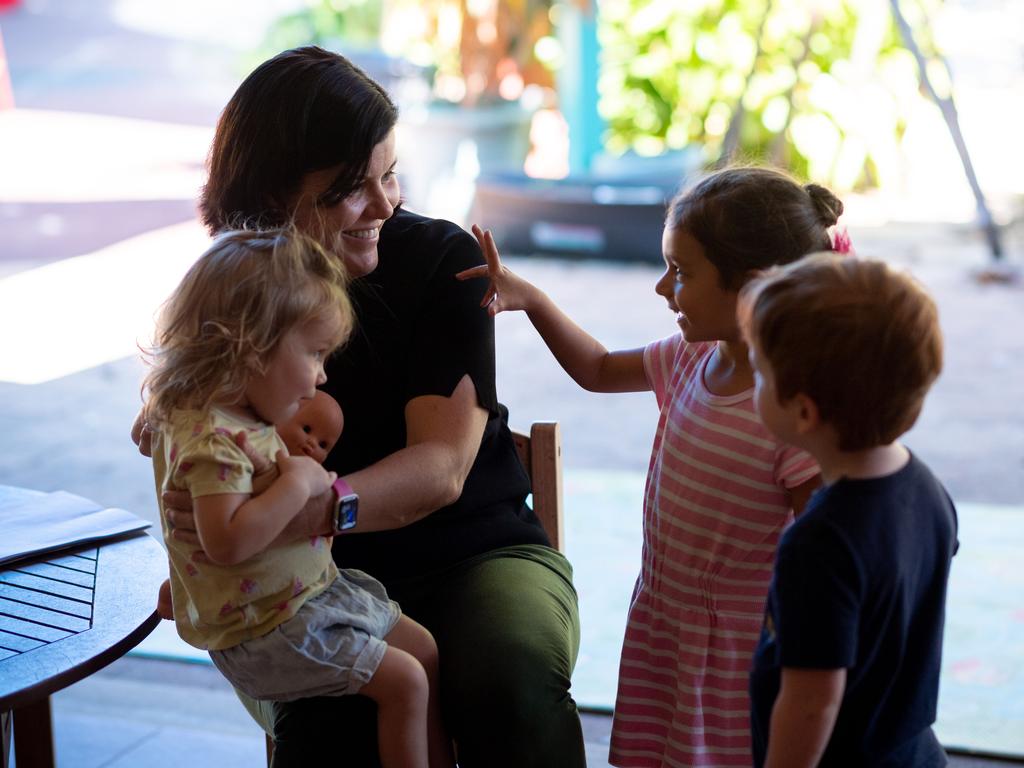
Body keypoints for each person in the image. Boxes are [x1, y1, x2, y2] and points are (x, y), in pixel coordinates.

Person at [136, 46, 584, 767]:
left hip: (478, 552)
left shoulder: (443, 263)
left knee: (509, 678)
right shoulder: (234, 296)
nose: (384, 205)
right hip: (290, 587)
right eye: (350, 188)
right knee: (332, 725)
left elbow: (439, 471)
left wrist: (298, 507)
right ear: (273, 193)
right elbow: (177, 423)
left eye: (390, 175)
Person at [458, 166, 847, 766]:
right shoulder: (693, 356)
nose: (663, 289)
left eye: (682, 273)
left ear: (751, 287)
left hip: (737, 641)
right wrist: (530, 298)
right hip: (666, 616)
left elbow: (819, 548)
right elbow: (598, 369)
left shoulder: (792, 411)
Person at [142, 228, 454, 768]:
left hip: (301, 596)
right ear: (251, 346)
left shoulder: (230, 410)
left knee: (423, 648)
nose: (321, 376)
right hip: (263, 628)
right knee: (404, 680)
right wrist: (300, 482)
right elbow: (227, 541)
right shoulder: (214, 441)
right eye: (314, 353)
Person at [741, 254, 957, 767]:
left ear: (804, 411)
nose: (754, 385)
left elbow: (812, 702)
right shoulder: (925, 487)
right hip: (913, 751)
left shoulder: (818, 543)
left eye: (759, 373)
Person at [155, 389, 345, 620]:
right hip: (262, 600)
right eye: (306, 429)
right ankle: (176, 591)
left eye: (324, 445)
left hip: (309, 579)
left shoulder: (304, 471)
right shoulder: (247, 444)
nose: (311, 443)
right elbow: (227, 541)